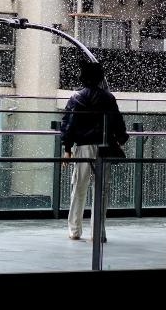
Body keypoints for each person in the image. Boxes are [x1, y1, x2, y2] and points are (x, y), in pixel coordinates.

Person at [60, 60, 128, 242]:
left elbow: (68, 124)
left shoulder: (76, 98)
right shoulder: (108, 98)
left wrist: (67, 149)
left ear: (83, 78)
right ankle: (98, 232)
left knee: (79, 188)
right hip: (104, 147)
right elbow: (117, 122)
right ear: (99, 78)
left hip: (83, 147)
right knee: (101, 190)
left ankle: (75, 230)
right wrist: (121, 139)